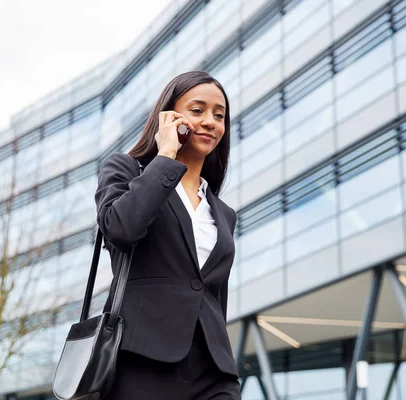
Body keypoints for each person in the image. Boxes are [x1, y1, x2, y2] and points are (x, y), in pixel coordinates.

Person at [95, 70, 241, 399]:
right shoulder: (125, 170)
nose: (210, 121)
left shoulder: (223, 213)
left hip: (213, 371)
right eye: (197, 110)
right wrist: (165, 156)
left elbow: (215, 297)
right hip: (143, 359)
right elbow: (121, 229)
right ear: (169, 117)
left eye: (219, 115)